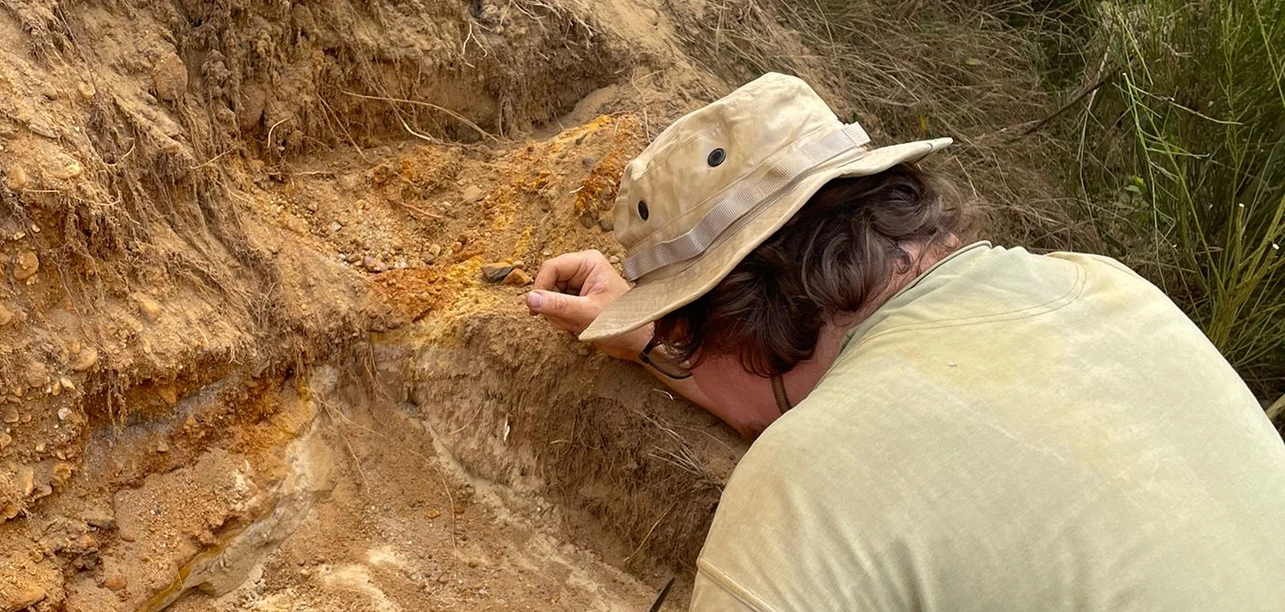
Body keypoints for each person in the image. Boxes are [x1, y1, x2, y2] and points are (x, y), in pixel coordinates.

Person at [526, 73, 1285, 610]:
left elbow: (827, 441)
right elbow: (877, 414)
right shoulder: (1108, 287)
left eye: (686, 344)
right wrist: (655, 341)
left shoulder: (802, 492)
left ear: (733, 330)